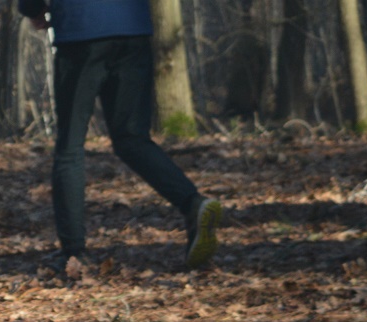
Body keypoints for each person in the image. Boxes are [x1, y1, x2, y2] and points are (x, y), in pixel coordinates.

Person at [18, 0, 222, 272]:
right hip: (133, 30)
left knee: (70, 145)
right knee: (132, 138)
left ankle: (73, 253)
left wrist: (32, 10)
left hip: (81, 31)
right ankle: (192, 203)